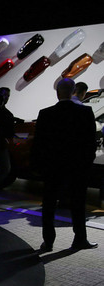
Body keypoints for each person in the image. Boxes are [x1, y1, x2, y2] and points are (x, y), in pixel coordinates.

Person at [33, 78, 98, 251]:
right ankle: (80, 239)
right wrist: (87, 162)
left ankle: (48, 241)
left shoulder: (46, 114)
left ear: (57, 93)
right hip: (77, 166)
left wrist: (40, 166)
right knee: (78, 203)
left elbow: (39, 144)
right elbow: (91, 141)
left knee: (49, 204)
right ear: (73, 92)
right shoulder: (85, 112)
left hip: (53, 167)